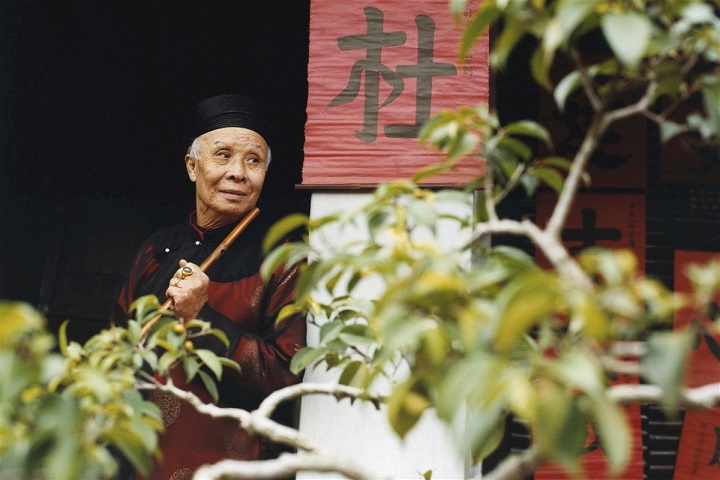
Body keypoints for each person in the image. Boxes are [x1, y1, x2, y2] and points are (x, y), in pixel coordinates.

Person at [111, 94, 307, 479]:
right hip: (138, 463)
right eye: (223, 155)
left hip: (229, 465)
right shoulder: (155, 249)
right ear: (191, 166)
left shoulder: (283, 259)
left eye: (254, 161)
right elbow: (117, 351)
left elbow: (287, 376)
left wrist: (202, 315)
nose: (238, 172)